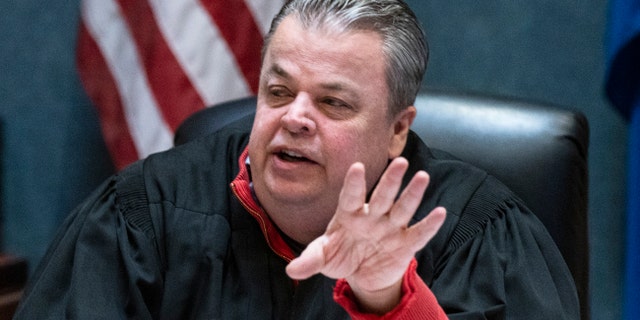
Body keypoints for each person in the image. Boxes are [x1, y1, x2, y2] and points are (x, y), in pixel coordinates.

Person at [14, 0, 580, 319]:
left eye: (333, 102)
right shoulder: (142, 218)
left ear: (396, 130)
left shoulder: (480, 235)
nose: (295, 118)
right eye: (279, 93)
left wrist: (387, 296)